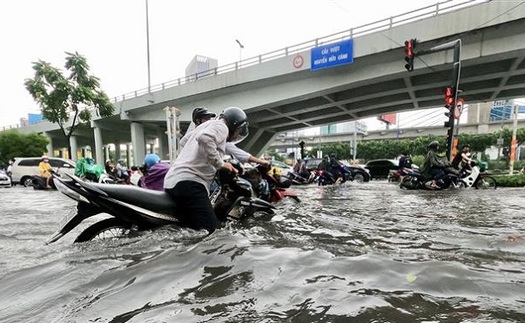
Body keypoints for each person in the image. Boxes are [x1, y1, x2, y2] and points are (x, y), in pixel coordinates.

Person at [164, 106, 249, 233]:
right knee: (211, 232)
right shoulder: (222, 126)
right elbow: (205, 138)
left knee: (190, 228)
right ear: (234, 125)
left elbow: (184, 141)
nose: (237, 134)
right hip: (191, 183)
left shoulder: (206, 125)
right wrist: (220, 163)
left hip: (174, 181)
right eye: (238, 130)